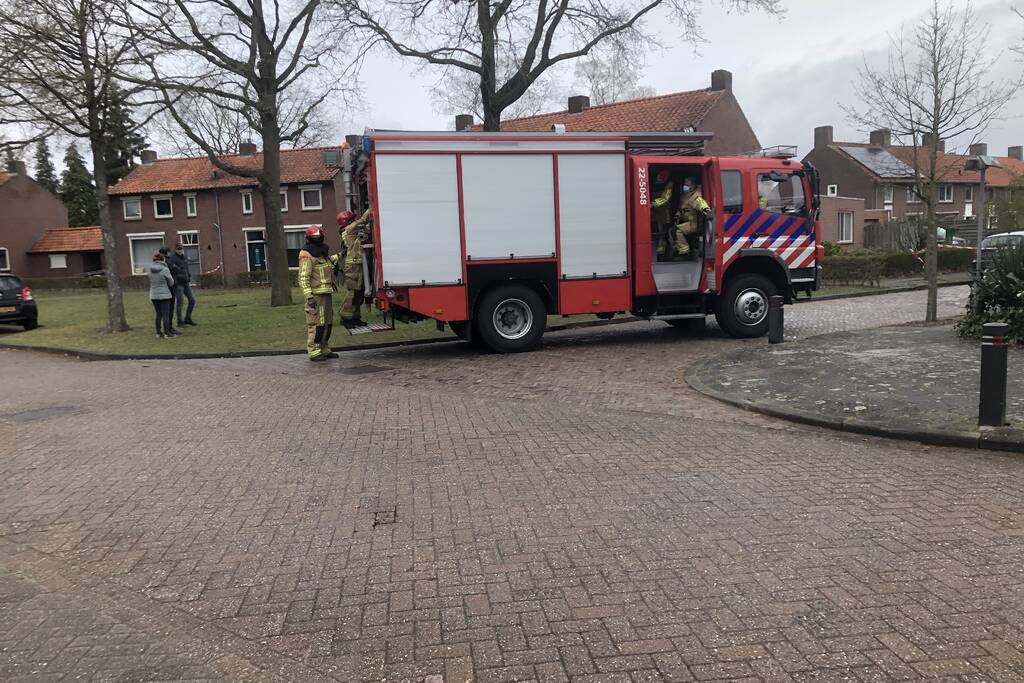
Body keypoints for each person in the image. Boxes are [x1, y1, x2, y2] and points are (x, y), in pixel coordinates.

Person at [298, 225, 340, 362]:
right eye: (316, 238)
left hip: (326, 293)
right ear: (310, 239)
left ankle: (324, 348)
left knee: (327, 322)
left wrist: (341, 255)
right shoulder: (306, 254)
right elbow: (303, 277)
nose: (319, 239)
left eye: (320, 237)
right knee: (316, 324)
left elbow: (327, 262)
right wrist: (309, 297)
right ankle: (314, 351)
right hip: (315, 295)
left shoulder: (321, 251)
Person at [338, 208, 372, 328]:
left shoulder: (350, 232)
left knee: (359, 292)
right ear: (347, 221)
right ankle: (346, 318)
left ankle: (355, 317)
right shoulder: (350, 229)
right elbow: (363, 220)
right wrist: (372, 207)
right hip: (353, 267)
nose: (354, 220)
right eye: (352, 219)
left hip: (357, 265)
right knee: (353, 292)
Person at [671, 176, 712, 258]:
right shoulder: (685, 195)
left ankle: (684, 252)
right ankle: (677, 250)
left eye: (687, 182)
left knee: (676, 231)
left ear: (693, 184)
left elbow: (700, 203)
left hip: (694, 223)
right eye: (685, 181)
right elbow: (682, 208)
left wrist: (705, 209)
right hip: (686, 221)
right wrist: (677, 215)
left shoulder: (696, 195)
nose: (685, 184)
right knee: (671, 230)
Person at [167, 242, 197, 326]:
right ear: (175, 249)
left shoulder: (184, 258)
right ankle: (179, 321)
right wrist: (178, 277)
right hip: (178, 284)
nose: (180, 250)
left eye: (181, 249)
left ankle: (188, 318)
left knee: (192, 300)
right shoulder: (172, 259)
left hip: (186, 282)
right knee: (180, 303)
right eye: (178, 249)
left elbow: (186, 268)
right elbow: (172, 270)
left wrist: (188, 276)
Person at [148, 252, 176, 338]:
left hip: (153, 294)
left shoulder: (150, 269)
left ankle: (158, 332)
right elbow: (171, 282)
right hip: (164, 294)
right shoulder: (165, 269)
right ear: (162, 260)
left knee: (158, 314)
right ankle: (167, 333)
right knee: (165, 314)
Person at [651, 170, 674, 259]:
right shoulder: (653, 181)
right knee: (654, 232)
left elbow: (665, 198)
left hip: (664, 213)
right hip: (654, 212)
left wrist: (652, 204)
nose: (659, 179)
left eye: (662, 177)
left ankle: (661, 254)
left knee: (662, 233)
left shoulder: (669, 184)